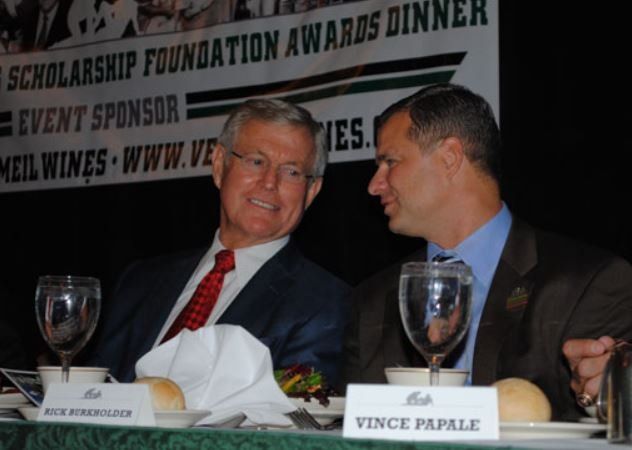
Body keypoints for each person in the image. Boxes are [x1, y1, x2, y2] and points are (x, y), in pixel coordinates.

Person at [340, 83, 632, 420]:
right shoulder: (373, 300)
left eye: (390, 162)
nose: (374, 184)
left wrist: (603, 397)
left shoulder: (587, 283)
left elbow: (610, 407)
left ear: (449, 157)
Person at [89, 98, 350, 384]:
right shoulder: (140, 282)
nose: (269, 182)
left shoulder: (325, 304)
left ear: (312, 190)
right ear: (218, 165)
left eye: (291, 171)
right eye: (256, 161)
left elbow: (290, 414)